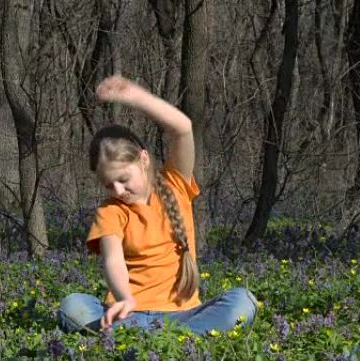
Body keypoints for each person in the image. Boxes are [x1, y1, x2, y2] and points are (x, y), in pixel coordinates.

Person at [58, 75, 257, 335]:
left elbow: (183, 128)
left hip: (185, 315)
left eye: (123, 179)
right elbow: (113, 260)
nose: (118, 190)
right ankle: (177, 341)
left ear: (143, 160)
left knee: (243, 301)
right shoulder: (110, 212)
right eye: (109, 185)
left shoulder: (176, 184)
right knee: (71, 306)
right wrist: (124, 298)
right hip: (130, 314)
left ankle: (145, 341)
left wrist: (137, 97)